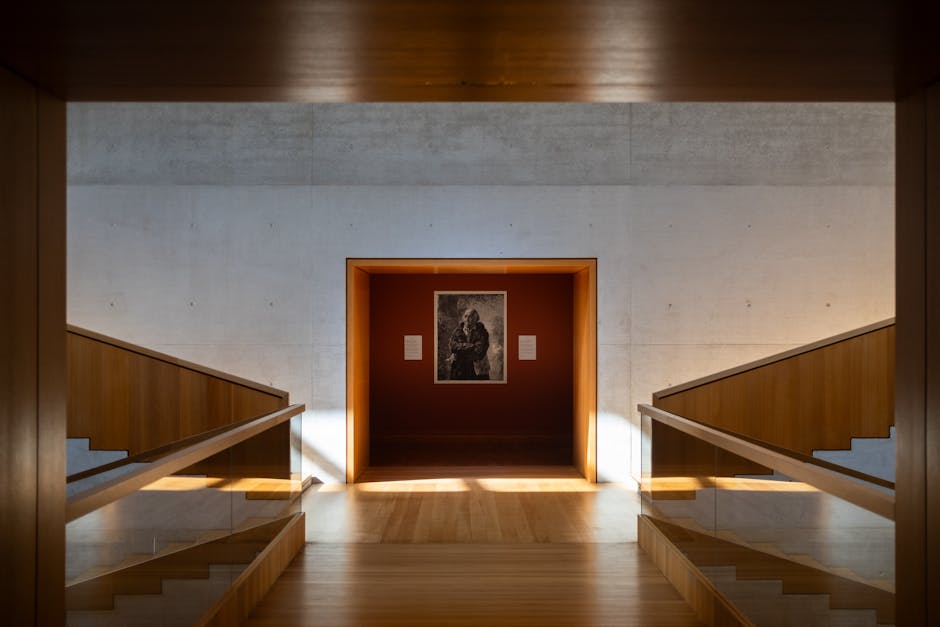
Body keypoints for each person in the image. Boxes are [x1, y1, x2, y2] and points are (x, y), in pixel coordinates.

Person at [448, 308, 489, 380]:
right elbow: (452, 346)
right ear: (463, 318)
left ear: (476, 319)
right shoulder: (457, 331)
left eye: (470, 316)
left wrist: (460, 351)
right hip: (458, 368)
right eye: (465, 316)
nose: (467, 319)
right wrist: (469, 346)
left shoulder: (482, 332)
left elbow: (479, 350)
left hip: (476, 369)